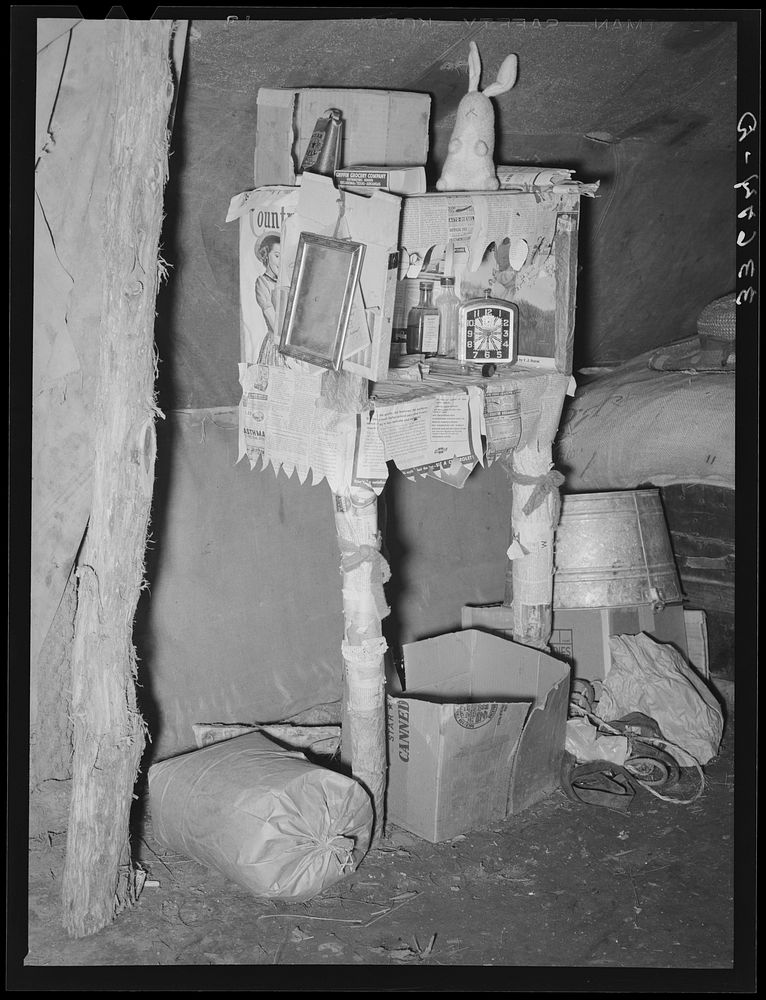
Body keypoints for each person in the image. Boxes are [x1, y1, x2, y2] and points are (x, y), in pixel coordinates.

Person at [254, 233, 284, 366]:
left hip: (291, 343)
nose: (280, 261)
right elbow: (272, 318)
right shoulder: (262, 282)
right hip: (277, 344)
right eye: (277, 256)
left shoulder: (286, 283)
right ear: (266, 255)